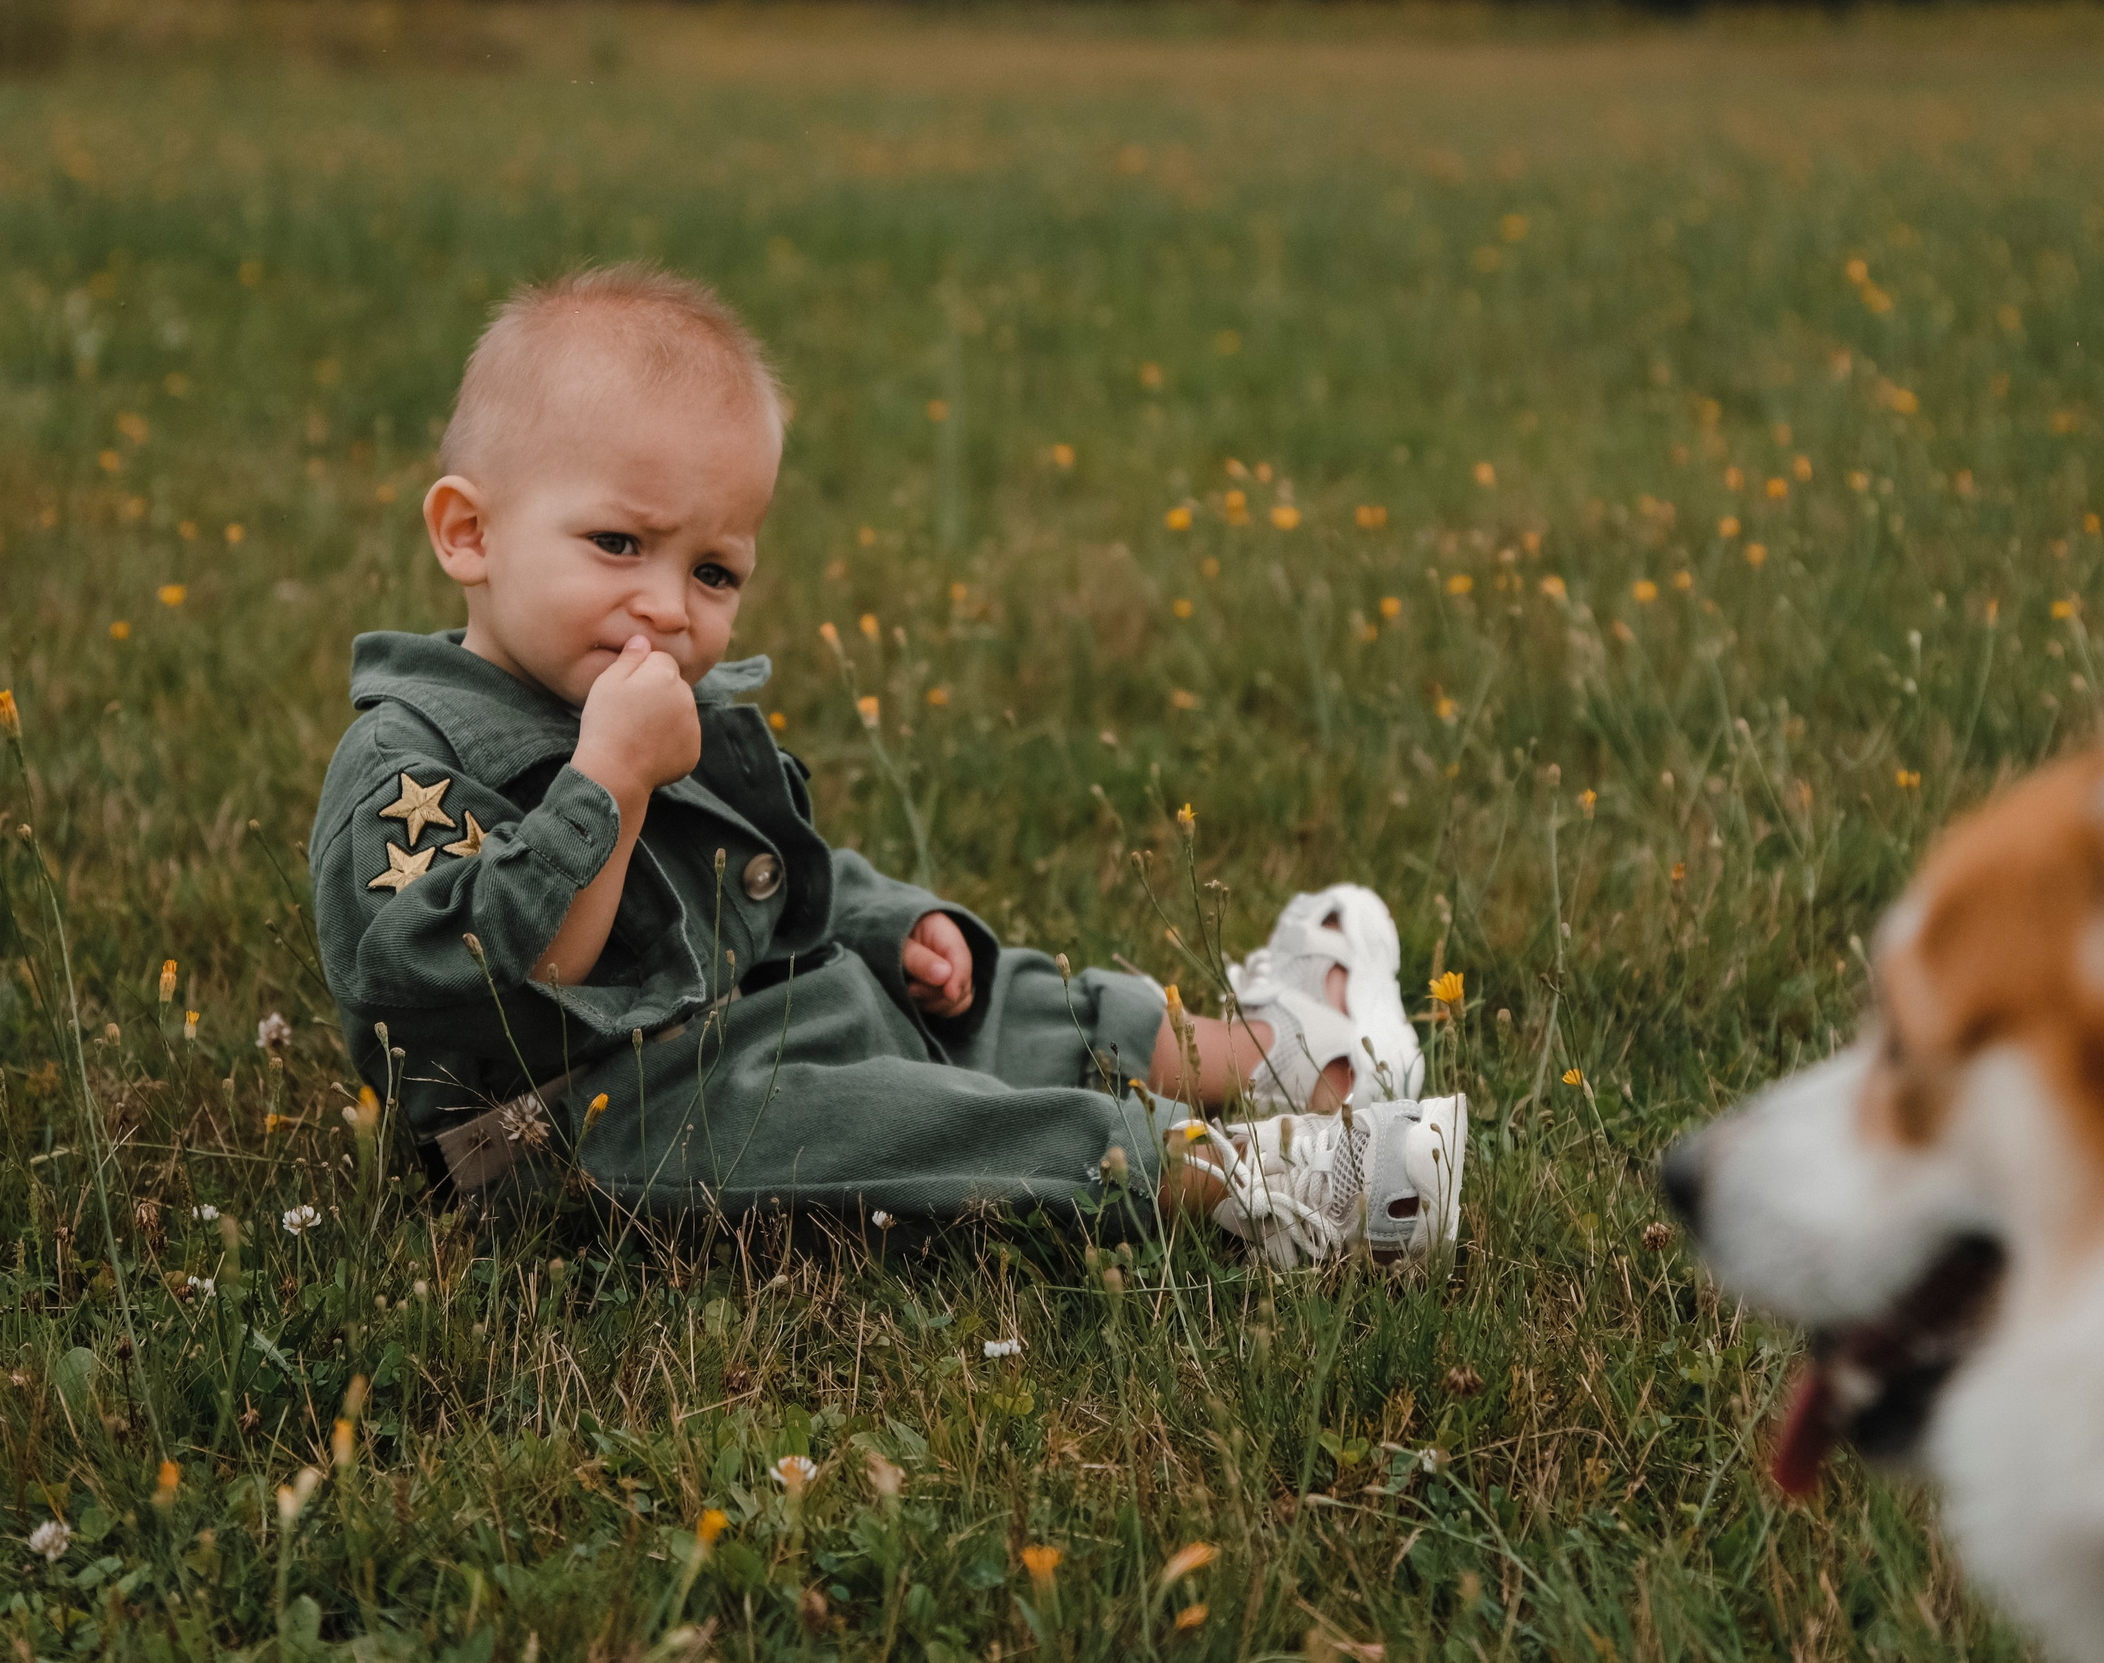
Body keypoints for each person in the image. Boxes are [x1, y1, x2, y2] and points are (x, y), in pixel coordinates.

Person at [306, 263, 1467, 1267]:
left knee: (974, 1002)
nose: (666, 605)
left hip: (760, 1016)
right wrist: (605, 782)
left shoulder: (640, 694)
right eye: (618, 543)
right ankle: (1255, 1181)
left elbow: (760, 869)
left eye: (714, 571)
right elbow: (509, 981)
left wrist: (888, 923)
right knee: (899, 1125)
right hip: (586, 1124)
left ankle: (1286, 1053)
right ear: (469, 532)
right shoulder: (412, 763)